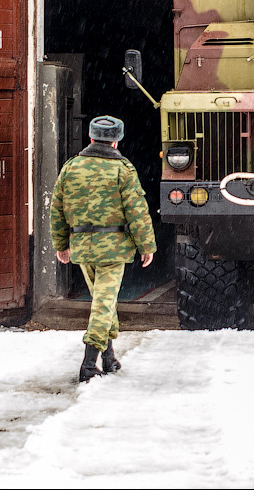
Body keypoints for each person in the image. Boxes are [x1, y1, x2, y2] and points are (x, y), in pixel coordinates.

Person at [51, 115, 156, 382]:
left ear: (91, 138)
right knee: (104, 303)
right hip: (113, 249)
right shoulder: (123, 169)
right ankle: (89, 363)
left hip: (83, 247)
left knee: (103, 301)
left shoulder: (71, 167)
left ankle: (109, 358)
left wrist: (62, 245)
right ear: (116, 141)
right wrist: (146, 245)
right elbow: (137, 211)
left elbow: (57, 210)